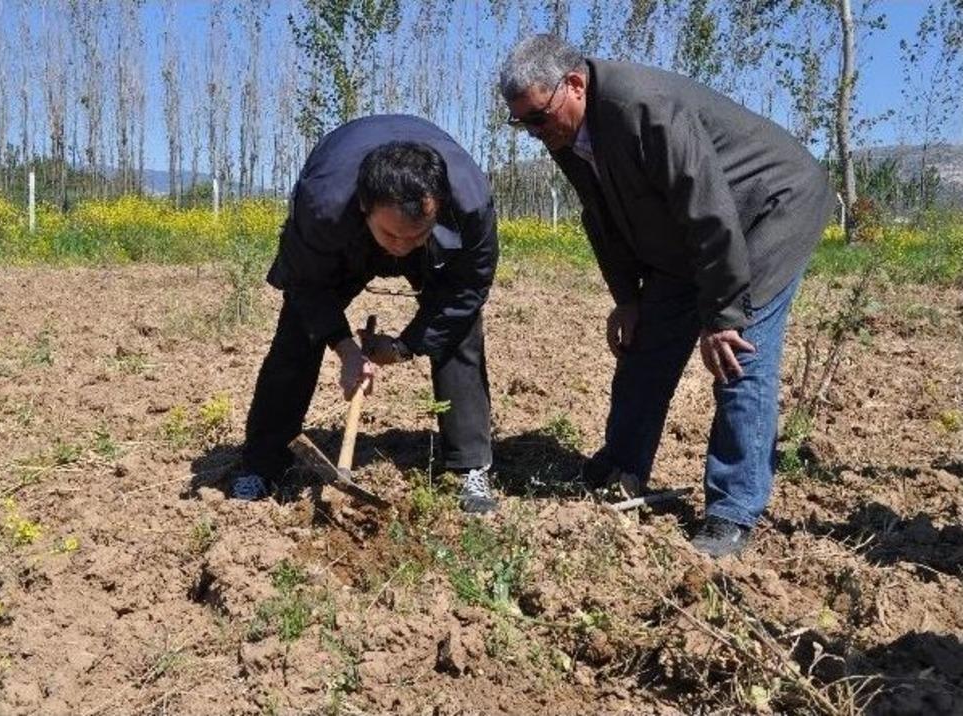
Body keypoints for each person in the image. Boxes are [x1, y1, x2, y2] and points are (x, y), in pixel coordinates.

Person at [499, 34, 832, 556]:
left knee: (737, 357)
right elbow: (601, 218)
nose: (534, 133)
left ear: (575, 85)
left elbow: (708, 207)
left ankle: (732, 512)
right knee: (646, 346)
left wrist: (723, 314)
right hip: (687, 236)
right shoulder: (566, 134)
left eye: (538, 118)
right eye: (522, 124)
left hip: (767, 212)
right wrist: (627, 298)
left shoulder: (643, 106)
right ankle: (622, 466)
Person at [230, 114, 499, 514]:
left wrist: (406, 346)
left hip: (435, 245)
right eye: (392, 235)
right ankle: (262, 460)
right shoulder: (322, 205)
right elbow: (306, 285)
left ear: (438, 208)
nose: (402, 247)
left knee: (459, 330)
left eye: (416, 235)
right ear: (364, 206)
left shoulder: (470, 205)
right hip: (345, 238)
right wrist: (345, 349)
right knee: (298, 331)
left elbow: (466, 291)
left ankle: (469, 467)